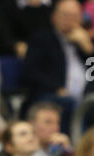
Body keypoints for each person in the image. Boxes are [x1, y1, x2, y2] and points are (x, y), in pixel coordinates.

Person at [21, 0, 94, 133]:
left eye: (74, 16)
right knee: (71, 104)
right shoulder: (42, 38)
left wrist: (89, 50)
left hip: (84, 98)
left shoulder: (85, 43)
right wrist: (56, 88)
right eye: (65, 15)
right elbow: (29, 72)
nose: (70, 20)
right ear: (54, 17)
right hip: (51, 96)